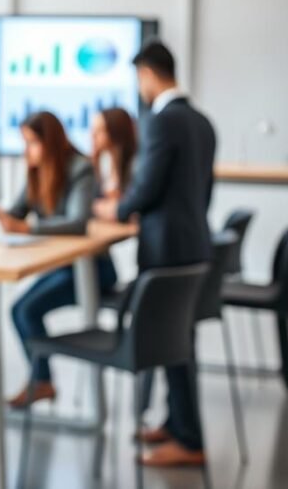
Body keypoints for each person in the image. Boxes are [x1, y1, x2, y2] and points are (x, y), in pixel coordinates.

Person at [94, 41, 216, 468]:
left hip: (167, 249)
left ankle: (189, 439)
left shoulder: (162, 122)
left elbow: (146, 188)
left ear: (146, 73)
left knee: (171, 342)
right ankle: (178, 424)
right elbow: (204, 189)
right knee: (179, 341)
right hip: (195, 243)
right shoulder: (202, 122)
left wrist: (117, 208)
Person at [1, 112, 103, 407]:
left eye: (32, 142)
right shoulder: (36, 169)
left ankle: (42, 380)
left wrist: (28, 228)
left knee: (25, 309)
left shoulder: (80, 168)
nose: (27, 150)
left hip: (90, 268)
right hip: (62, 267)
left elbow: (77, 222)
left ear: (49, 141)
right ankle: (42, 380)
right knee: (22, 309)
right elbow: (17, 211)